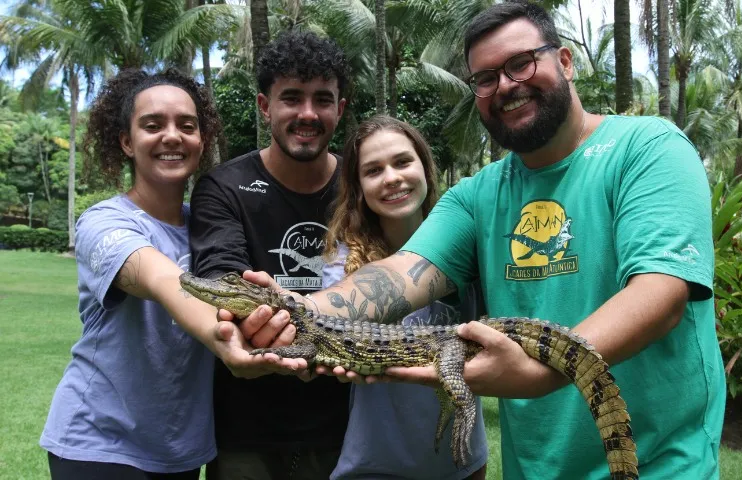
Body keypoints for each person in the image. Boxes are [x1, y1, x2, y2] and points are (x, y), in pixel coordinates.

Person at [245, 2, 726, 479]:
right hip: (533, 469)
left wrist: (537, 376)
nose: (506, 86)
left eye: (521, 63)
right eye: (486, 78)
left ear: (564, 61)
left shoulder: (647, 147)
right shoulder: (478, 194)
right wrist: (294, 311)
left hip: (660, 466)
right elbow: (398, 275)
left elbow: (662, 293)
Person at [39, 69, 284, 480]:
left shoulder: (213, 231)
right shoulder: (103, 222)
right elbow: (162, 279)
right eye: (152, 126)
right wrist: (227, 342)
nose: (172, 136)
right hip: (100, 444)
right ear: (126, 141)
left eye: (187, 126)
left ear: (201, 142)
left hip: (183, 451)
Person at [189, 30, 351, 479]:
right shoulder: (224, 187)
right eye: (291, 98)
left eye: (322, 99)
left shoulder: (362, 187)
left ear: (340, 108)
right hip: (246, 433)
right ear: (265, 106)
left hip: (351, 430)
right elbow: (223, 284)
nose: (307, 114)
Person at [320, 116, 488, 480]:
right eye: (373, 170)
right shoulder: (342, 263)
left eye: (402, 162)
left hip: (461, 459)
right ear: (359, 187)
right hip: (377, 463)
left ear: (425, 168)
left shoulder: (471, 245)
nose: (392, 178)